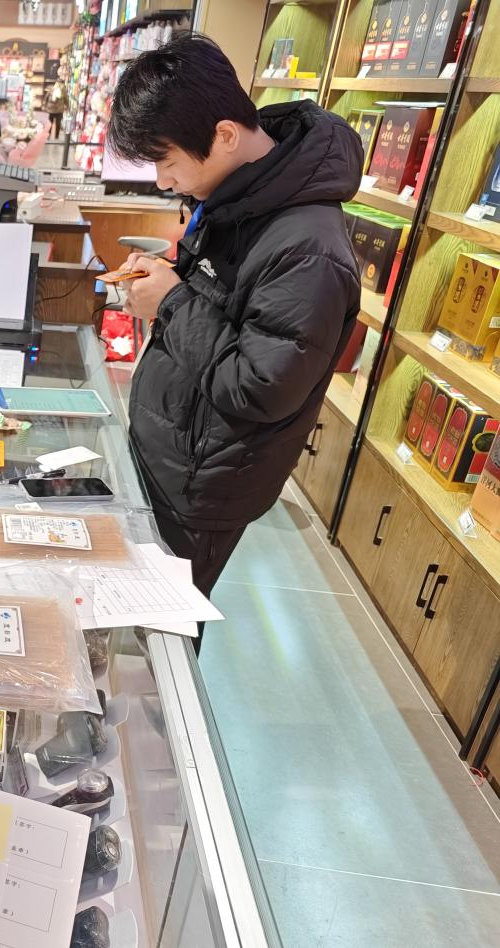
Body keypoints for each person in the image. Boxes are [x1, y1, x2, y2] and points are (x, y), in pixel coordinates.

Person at [106, 33, 361, 642]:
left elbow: (260, 386)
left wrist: (170, 303)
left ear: (223, 134)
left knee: (163, 638)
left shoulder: (309, 248)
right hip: (175, 452)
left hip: (204, 481)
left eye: (167, 161)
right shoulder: (240, 196)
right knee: (136, 615)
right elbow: (219, 303)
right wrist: (168, 284)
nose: (163, 181)